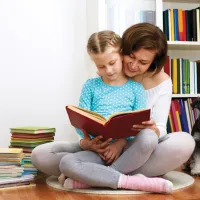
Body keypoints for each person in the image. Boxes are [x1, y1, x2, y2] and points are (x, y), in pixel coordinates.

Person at [31, 23, 195, 193]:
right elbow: (84, 119)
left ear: (153, 62)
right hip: (98, 148)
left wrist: (150, 131)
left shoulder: (149, 85)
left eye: (143, 62)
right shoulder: (102, 74)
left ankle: (94, 177)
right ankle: (128, 179)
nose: (133, 65)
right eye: (131, 56)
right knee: (42, 155)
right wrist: (86, 142)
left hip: (133, 148)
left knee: (173, 140)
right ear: (122, 51)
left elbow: (155, 129)